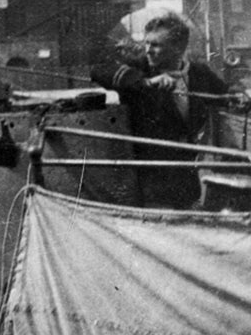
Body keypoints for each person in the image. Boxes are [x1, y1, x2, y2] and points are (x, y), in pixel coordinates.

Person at [92, 12, 230, 209]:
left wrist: (239, 96)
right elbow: (98, 71)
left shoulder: (199, 73)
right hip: (149, 177)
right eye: (147, 43)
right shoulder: (139, 69)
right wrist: (144, 82)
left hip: (186, 174)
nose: (148, 50)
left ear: (178, 48)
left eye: (156, 45)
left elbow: (225, 95)